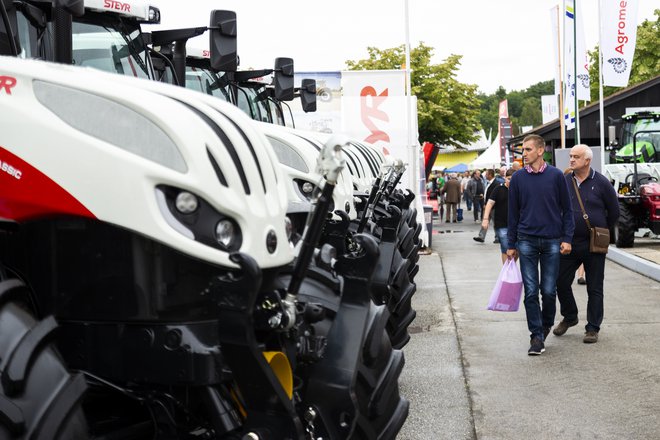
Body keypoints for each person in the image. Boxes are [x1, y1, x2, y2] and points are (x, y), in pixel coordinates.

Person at [507, 134, 574, 356]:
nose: (523, 154)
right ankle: (536, 336)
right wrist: (511, 243)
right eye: (522, 150)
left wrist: (567, 238)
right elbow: (513, 213)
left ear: (540, 151)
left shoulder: (556, 176)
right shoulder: (517, 179)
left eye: (527, 150)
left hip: (553, 240)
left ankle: (545, 325)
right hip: (526, 240)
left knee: (548, 290)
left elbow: (568, 209)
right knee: (530, 292)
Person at [553, 144, 619, 344]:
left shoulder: (601, 182)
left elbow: (614, 210)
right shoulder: (564, 181)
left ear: (587, 160)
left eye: (576, 156)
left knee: (595, 287)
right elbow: (556, 208)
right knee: (560, 281)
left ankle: (592, 328)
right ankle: (570, 315)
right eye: (571, 156)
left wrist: (601, 230)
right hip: (569, 243)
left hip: (593, 243)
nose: (571, 159)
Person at [482, 168, 515, 263]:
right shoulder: (498, 188)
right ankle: (507, 272)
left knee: (516, 250)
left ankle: (510, 267)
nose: (511, 181)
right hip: (502, 224)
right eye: (509, 178)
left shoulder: (519, 189)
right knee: (505, 249)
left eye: (513, 179)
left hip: (517, 225)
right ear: (505, 178)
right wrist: (485, 219)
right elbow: (490, 203)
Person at [474, 169, 500, 242]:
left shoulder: (496, 184)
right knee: (485, 221)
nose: (485, 175)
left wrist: (488, 204)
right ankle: (481, 236)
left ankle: (498, 237)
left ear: (490, 175)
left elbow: (495, 196)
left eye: (486, 174)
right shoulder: (488, 183)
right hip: (488, 205)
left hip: (494, 207)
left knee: (496, 222)